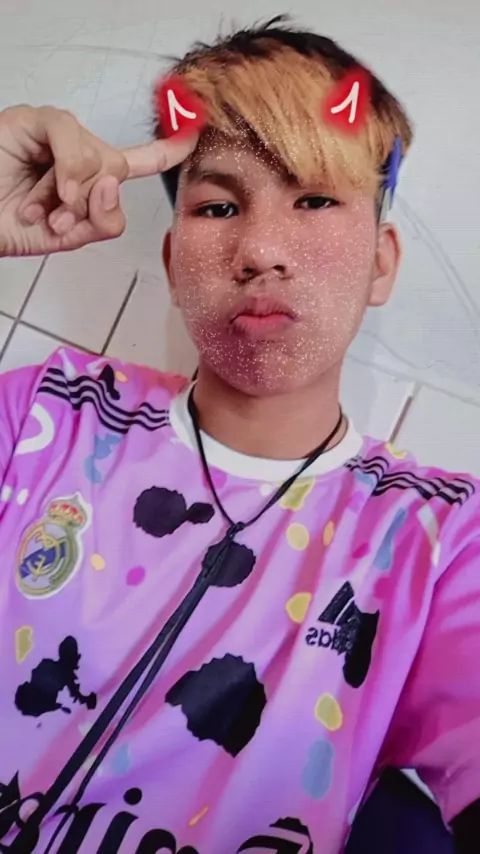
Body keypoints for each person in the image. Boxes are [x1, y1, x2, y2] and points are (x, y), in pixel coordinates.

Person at [0, 13, 478, 854]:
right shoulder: (43, 419)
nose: (260, 249)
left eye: (316, 199)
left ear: (381, 261)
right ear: (172, 256)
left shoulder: (439, 543)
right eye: (219, 205)